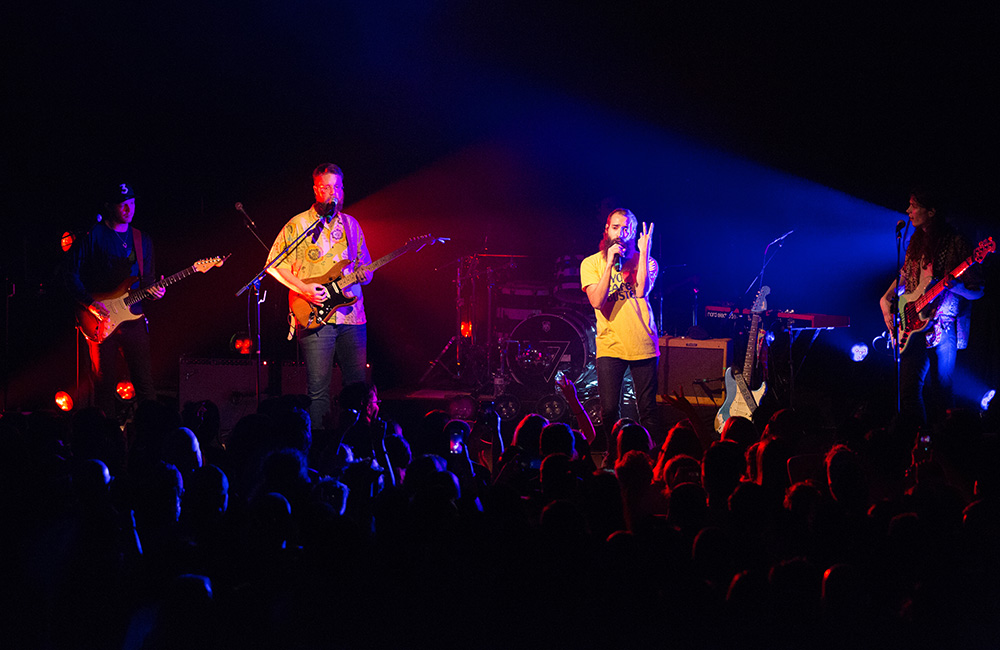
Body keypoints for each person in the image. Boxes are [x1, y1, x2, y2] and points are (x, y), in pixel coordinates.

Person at [266, 163, 372, 431]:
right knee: (318, 390)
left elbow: (367, 271)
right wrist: (303, 289)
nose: (332, 193)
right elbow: (273, 265)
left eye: (337, 187)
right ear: (315, 190)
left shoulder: (351, 225)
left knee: (357, 386)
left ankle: (357, 444)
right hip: (315, 316)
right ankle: (320, 450)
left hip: (353, 317)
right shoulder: (298, 224)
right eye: (326, 187)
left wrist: (362, 275)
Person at [880, 190, 984, 426]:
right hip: (913, 326)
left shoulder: (957, 242)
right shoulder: (914, 242)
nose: (908, 212)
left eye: (913, 206)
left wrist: (955, 286)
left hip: (943, 329)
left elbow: (977, 290)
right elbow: (906, 277)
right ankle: (919, 442)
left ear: (931, 211)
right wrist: (886, 298)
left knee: (942, 393)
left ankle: (945, 449)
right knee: (908, 393)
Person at [65, 182, 165, 418]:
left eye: (131, 203)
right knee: (104, 386)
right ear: (110, 206)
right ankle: (105, 437)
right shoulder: (93, 236)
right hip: (99, 318)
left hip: (134, 318)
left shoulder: (142, 239)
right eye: (123, 204)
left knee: (144, 383)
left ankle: (150, 432)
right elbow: (70, 275)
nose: (129, 208)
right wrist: (90, 304)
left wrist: (156, 291)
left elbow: (148, 280)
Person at [580, 208, 659, 458]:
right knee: (609, 409)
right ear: (607, 230)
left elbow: (640, 292)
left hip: (643, 343)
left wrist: (644, 252)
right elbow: (596, 300)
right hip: (610, 345)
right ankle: (613, 455)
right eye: (615, 227)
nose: (620, 233)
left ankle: (646, 458)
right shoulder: (591, 263)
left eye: (626, 229)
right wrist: (609, 265)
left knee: (647, 409)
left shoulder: (648, 261)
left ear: (633, 233)